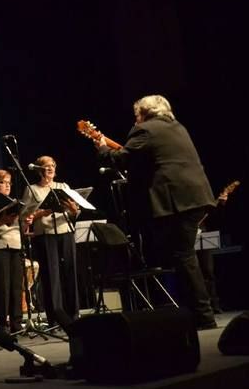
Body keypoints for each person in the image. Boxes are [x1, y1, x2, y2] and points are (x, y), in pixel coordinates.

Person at [95, 94, 217, 330]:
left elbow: (121, 160)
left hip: (175, 201)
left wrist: (101, 147)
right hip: (195, 196)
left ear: (144, 113)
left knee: (184, 257)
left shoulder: (145, 130)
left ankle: (203, 315)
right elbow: (155, 160)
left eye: (136, 114)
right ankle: (195, 312)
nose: (135, 118)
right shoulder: (176, 127)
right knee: (184, 256)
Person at [22, 156, 80, 328]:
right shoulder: (31, 189)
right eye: (46, 166)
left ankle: (74, 315)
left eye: (52, 165)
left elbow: (73, 213)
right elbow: (25, 215)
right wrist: (43, 212)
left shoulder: (63, 186)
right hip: (45, 234)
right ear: (39, 169)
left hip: (65, 231)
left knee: (70, 272)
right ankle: (56, 317)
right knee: (51, 276)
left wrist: (73, 211)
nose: (50, 168)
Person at [0, 169, 33, 333]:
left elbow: (20, 229)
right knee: (2, 287)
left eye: (9, 183)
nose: (7, 186)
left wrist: (26, 222)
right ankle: (2, 323)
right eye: (4, 182)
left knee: (16, 287)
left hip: (16, 245)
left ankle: (16, 322)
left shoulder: (14, 203)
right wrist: (1, 220)